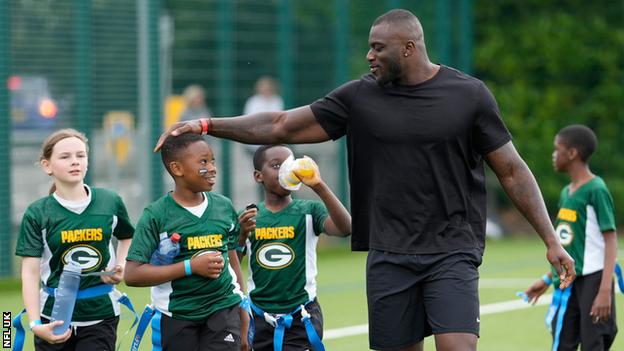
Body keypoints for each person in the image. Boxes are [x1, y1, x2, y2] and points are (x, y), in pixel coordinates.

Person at [156, 9, 576, 351]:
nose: (369, 56)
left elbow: (512, 170)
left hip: (452, 249)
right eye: (369, 47)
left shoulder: (469, 95)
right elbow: (280, 125)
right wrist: (207, 125)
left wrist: (551, 240)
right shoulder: (360, 97)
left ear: (409, 48)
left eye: (378, 48)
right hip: (389, 254)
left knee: (458, 347)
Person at [124, 133, 248, 351]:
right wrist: (191, 267)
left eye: (212, 160)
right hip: (177, 315)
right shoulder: (156, 215)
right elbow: (133, 274)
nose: (212, 168)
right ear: (177, 169)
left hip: (223, 309)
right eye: (203, 162)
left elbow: (232, 261)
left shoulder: (223, 206)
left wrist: (243, 305)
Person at [15, 128, 135, 350]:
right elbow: (30, 272)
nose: (75, 162)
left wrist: (120, 266)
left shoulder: (110, 201)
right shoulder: (37, 213)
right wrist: (34, 324)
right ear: (47, 165)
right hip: (52, 318)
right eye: (65, 156)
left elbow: (127, 237)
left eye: (81, 155)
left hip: (101, 316)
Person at [237, 145, 351, 350]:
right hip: (259, 316)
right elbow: (232, 266)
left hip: (301, 315)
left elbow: (345, 228)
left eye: (288, 165)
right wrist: (241, 235)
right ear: (258, 176)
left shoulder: (309, 210)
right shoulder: (249, 216)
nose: (284, 171)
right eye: (276, 165)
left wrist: (319, 186)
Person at [523, 125, 618, 351]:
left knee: (593, 342)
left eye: (558, 149)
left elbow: (611, 240)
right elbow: (568, 246)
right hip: (569, 279)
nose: (553, 155)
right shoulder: (567, 192)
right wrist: (547, 279)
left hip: (593, 280)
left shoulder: (597, 189)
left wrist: (605, 290)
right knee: (562, 339)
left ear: (573, 153)